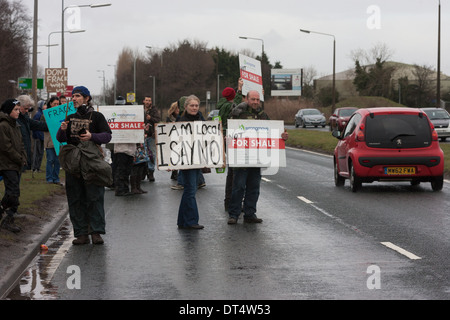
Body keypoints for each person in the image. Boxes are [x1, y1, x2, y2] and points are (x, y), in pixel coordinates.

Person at [57, 86, 112, 245]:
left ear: (87, 98)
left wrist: (91, 136)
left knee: (94, 196)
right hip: (73, 163)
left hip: (92, 162)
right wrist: (63, 130)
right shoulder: (69, 117)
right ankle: (81, 233)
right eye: (73, 96)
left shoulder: (97, 116)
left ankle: (96, 232)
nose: (74, 98)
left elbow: (107, 136)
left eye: (78, 96)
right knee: (75, 197)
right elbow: (61, 138)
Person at [227, 90, 288, 225]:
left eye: (257, 100)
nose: (255, 102)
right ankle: (234, 214)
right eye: (253, 99)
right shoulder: (238, 113)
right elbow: (229, 130)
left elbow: (273, 132)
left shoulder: (263, 115)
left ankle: (250, 213)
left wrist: (282, 136)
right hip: (241, 158)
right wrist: (227, 137)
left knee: (254, 187)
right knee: (238, 187)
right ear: (247, 99)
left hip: (257, 158)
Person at [176, 95, 204, 230]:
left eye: (196, 105)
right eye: (192, 105)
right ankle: (191, 221)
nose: (194, 108)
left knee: (189, 189)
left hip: (197, 158)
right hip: (186, 159)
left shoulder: (201, 119)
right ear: (186, 107)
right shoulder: (181, 121)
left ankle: (182, 221)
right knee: (191, 190)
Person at [0, 99, 27, 233]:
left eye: (18, 109)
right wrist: (18, 158)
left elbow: (20, 143)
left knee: (14, 192)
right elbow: (6, 147)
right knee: (13, 193)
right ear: (8, 111)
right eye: (15, 110)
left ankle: (5, 214)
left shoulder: (15, 125)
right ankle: (7, 217)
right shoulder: (3, 125)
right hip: (7, 163)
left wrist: (24, 156)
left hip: (16, 163)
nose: (18, 112)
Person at [217, 78, 244, 211]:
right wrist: (239, 89)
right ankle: (230, 201)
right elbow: (238, 103)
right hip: (231, 138)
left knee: (232, 171)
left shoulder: (222, 104)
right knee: (234, 171)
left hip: (228, 137)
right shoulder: (228, 106)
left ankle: (230, 200)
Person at [16, 95, 48, 172]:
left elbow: (36, 124)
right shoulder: (15, 119)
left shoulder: (25, 118)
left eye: (28, 108)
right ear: (19, 106)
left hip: (23, 153)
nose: (27, 111)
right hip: (17, 154)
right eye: (25, 108)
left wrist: (51, 126)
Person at [43, 96, 62, 184]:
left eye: (58, 104)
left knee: (58, 161)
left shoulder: (60, 114)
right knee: (50, 160)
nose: (56, 105)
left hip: (58, 141)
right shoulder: (45, 114)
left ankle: (56, 178)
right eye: (55, 104)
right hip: (49, 141)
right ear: (50, 104)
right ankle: (49, 178)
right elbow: (42, 126)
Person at [143, 95, 160, 182]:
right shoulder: (140, 110)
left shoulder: (154, 110)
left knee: (152, 154)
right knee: (142, 154)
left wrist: (151, 118)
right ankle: (142, 172)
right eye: (146, 100)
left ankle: (151, 172)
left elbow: (157, 120)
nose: (148, 102)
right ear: (143, 101)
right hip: (141, 136)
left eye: (149, 100)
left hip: (151, 135)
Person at [31, 100, 46, 173]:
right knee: (36, 153)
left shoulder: (44, 114)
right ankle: (34, 168)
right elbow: (35, 126)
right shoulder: (38, 114)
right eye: (44, 104)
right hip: (38, 136)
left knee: (41, 153)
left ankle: (38, 167)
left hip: (42, 136)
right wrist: (37, 135)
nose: (45, 106)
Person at [166, 101, 180, 181]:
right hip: (172, 138)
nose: (178, 110)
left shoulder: (182, 117)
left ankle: (175, 172)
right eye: (177, 108)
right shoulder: (169, 118)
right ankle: (174, 173)